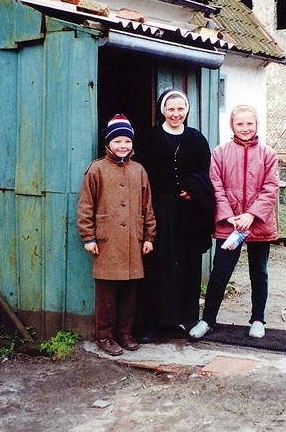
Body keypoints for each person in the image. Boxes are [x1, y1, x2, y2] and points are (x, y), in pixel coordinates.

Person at [189, 105, 279, 340]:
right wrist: (229, 215)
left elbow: (270, 189)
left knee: (258, 272)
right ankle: (208, 319)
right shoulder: (220, 153)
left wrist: (251, 215)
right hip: (229, 224)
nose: (245, 128)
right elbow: (215, 186)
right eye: (240, 124)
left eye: (249, 123)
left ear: (256, 124)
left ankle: (258, 319)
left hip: (258, 223)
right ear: (232, 125)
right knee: (220, 272)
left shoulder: (268, 154)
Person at [134, 89, 215, 341]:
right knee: (155, 264)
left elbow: (205, 175)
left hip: (187, 213)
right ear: (162, 111)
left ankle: (184, 319)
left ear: (187, 110)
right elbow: (140, 175)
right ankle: (151, 323)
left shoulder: (196, 139)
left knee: (186, 263)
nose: (176, 114)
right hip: (157, 208)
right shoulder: (148, 138)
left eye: (180, 109)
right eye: (171, 109)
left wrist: (194, 192)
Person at [77, 114, 156, 356]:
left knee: (129, 292)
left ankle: (124, 333)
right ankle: (105, 335)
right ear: (108, 144)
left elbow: (147, 207)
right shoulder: (96, 169)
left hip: (133, 241)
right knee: (107, 292)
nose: (123, 146)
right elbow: (86, 206)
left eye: (127, 142)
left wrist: (149, 237)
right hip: (106, 241)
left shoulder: (139, 170)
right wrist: (88, 237)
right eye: (118, 141)